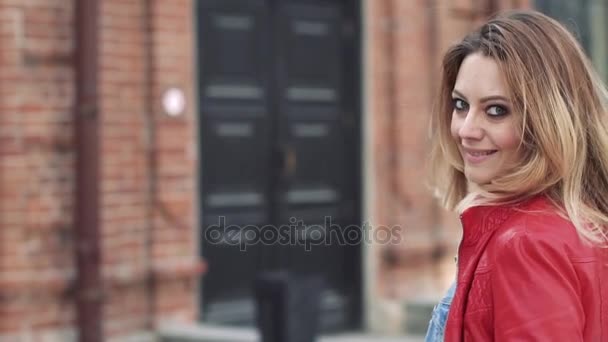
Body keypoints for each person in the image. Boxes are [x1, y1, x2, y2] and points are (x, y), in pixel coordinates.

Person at [425, 10, 608, 341]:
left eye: (496, 110)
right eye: (461, 104)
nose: (466, 130)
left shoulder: (525, 244)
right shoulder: (584, 224)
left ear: (547, 122)